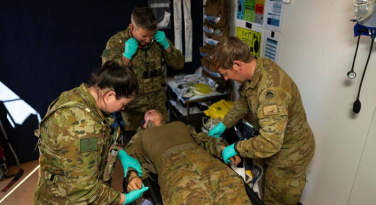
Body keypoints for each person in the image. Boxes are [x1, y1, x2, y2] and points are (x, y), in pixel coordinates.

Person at [208, 36, 315, 205]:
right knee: (267, 189)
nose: (226, 79)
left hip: (290, 155)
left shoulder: (271, 92)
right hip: (278, 147)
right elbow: (244, 102)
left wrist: (236, 148)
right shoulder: (257, 70)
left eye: (226, 74)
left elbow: (270, 143)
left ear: (237, 64)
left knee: (276, 199)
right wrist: (224, 124)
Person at [33, 60, 147, 205]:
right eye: (123, 104)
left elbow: (103, 136)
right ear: (110, 95)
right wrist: (123, 199)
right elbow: (84, 193)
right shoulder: (84, 128)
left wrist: (121, 154)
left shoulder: (79, 96)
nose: (123, 109)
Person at [122, 109, 251, 205]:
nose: (154, 110)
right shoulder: (141, 136)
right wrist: (132, 175)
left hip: (205, 160)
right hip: (174, 170)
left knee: (234, 195)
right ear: (143, 125)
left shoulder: (179, 125)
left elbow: (202, 139)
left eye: (156, 110)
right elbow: (130, 156)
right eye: (149, 112)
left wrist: (222, 148)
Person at [101, 7, 184, 132]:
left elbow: (179, 64)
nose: (148, 40)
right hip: (133, 106)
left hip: (157, 103)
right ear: (132, 27)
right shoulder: (115, 43)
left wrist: (167, 46)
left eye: (151, 35)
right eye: (144, 36)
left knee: (163, 137)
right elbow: (107, 78)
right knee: (137, 144)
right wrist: (125, 58)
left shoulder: (157, 39)